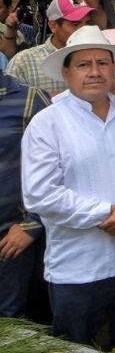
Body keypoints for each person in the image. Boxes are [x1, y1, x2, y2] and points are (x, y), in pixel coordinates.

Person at [20, 26, 115, 353]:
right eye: (84, 64)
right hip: (78, 266)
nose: (95, 72)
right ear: (66, 72)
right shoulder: (47, 124)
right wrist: (108, 214)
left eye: (103, 62)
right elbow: (40, 194)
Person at [0, 70, 50, 317]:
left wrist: (32, 224)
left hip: (10, 240)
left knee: (11, 323)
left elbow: (58, 169)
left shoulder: (30, 99)